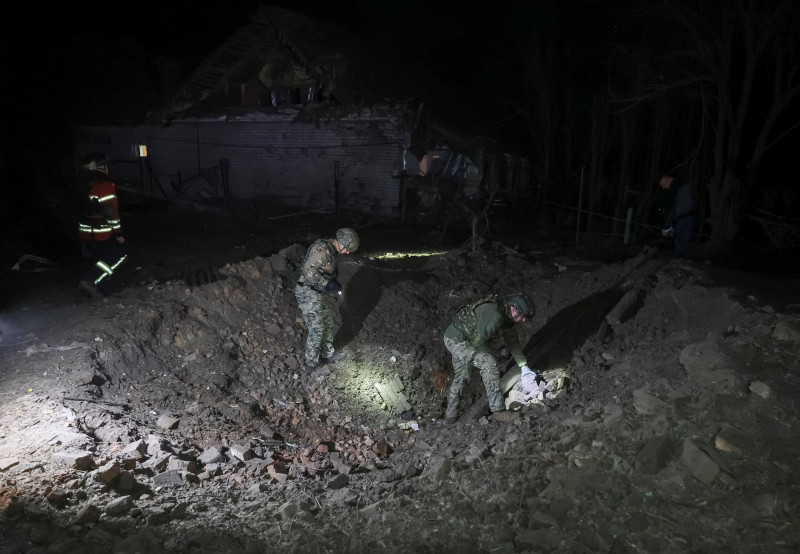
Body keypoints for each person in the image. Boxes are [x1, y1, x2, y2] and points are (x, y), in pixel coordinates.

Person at [442, 292, 535, 423]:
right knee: (488, 363)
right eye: (522, 316)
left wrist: (523, 365)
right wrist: (492, 358)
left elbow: (513, 343)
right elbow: (479, 342)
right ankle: (498, 411)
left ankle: (450, 417)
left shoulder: (507, 321)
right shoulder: (495, 315)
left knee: (462, 375)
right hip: (457, 340)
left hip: (458, 338)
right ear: (514, 309)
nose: (523, 320)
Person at [295, 228, 359, 374]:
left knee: (327, 323)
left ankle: (328, 354)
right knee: (316, 329)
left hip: (315, 292)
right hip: (306, 292)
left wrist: (331, 282)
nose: (347, 252)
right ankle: (311, 365)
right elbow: (308, 271)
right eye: (347, 249)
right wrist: (327, 283)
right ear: (341, 243)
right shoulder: (322, 250)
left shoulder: (331, 251)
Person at [77, 153, 127, 298]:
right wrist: (118, 232)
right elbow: (110, 211)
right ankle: (90, 280)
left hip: (86, 232)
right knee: (118, 256)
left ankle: (106, 289)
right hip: (103, 232)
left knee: (100, 259)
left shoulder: (84, 185)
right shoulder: (104, 185)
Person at [658, 173, 698, 259]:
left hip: (684, 215)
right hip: (688, 214)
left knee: (681, 237)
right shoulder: (684, 186)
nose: (663, 187)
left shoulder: (675, 188)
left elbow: (672, 207)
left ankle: (679, 258)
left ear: (665, 179)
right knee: (682, 237)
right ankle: (679, 257)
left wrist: (666, 226)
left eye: (662, 185)